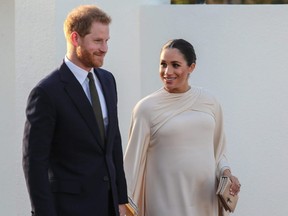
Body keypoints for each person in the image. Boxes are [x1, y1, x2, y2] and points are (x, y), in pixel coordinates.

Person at [22, 5, 128, 216]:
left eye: (107, 41)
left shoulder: (108, 81)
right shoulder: (46, 92)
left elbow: (113, 141)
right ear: (75, 38)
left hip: (108, 206)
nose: (104, 48)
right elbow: (34, 162)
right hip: (68, 209)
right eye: (97, 41)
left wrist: (121, 199)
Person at [124, 39, 241, 216]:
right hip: (165, 201)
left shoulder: (210, 102)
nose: (167, 72)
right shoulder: (146, 108)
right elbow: (131, 163)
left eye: (175, 65)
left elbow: (218, 151)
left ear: (191, 67)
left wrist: (227, 172)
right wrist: (123, 204)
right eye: (163, 64)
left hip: (204, 199)